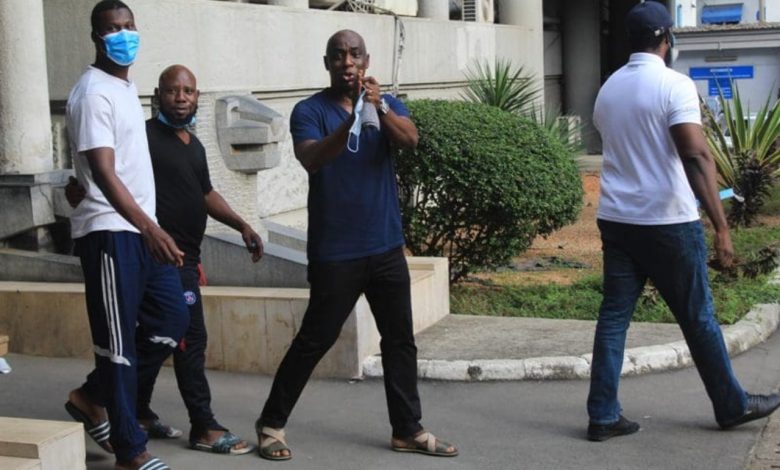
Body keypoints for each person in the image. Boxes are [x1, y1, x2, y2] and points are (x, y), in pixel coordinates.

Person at [254, 29, 457, 461]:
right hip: (336, 252)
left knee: (400, 341)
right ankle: (271, 423)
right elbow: (311, 159)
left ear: (366, 60)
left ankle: (407, 429)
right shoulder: (309, 111)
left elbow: (411, 139)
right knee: (315, 339)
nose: (347, 62)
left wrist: (379, 106)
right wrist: (352, 119)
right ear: (327, 63)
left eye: (355, 54)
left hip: (385, 248)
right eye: (338, 56)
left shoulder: (385, 104)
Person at [586, 1, 780, 442]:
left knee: (614, 317)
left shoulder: (609, 88)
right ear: (666, 39)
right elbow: (695, 154)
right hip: (667, 222)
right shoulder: (675, 86)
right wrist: (722, 228)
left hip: (617, 218)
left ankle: (602, 414)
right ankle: (731, 406)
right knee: (698, 317)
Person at [67, 64, 263, 456]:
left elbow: (205, 193)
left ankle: (125, 405)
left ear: (197, 97)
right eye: (172, 91)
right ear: (157, 95)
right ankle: (204, 426)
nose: (180, 98)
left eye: (188, 91)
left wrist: (241, 223)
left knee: (165, 330)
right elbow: (105, 168)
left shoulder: (194, 145)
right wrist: (81, 188)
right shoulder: (145, 136)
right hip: (153, 250)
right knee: (188, 338)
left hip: (183, 256)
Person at [64, 1, 188, 469]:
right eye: (112, 28)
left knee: (168, 323)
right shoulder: (93, 91)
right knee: (116, 344)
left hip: (137, 232)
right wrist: (151, 228)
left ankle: (91, 397)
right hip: (111, 234)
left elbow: (91, 166)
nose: (123, 34)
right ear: (97, 37)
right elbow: (102, 170)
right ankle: (129, 451)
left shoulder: (122, 87)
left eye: (129, 26)